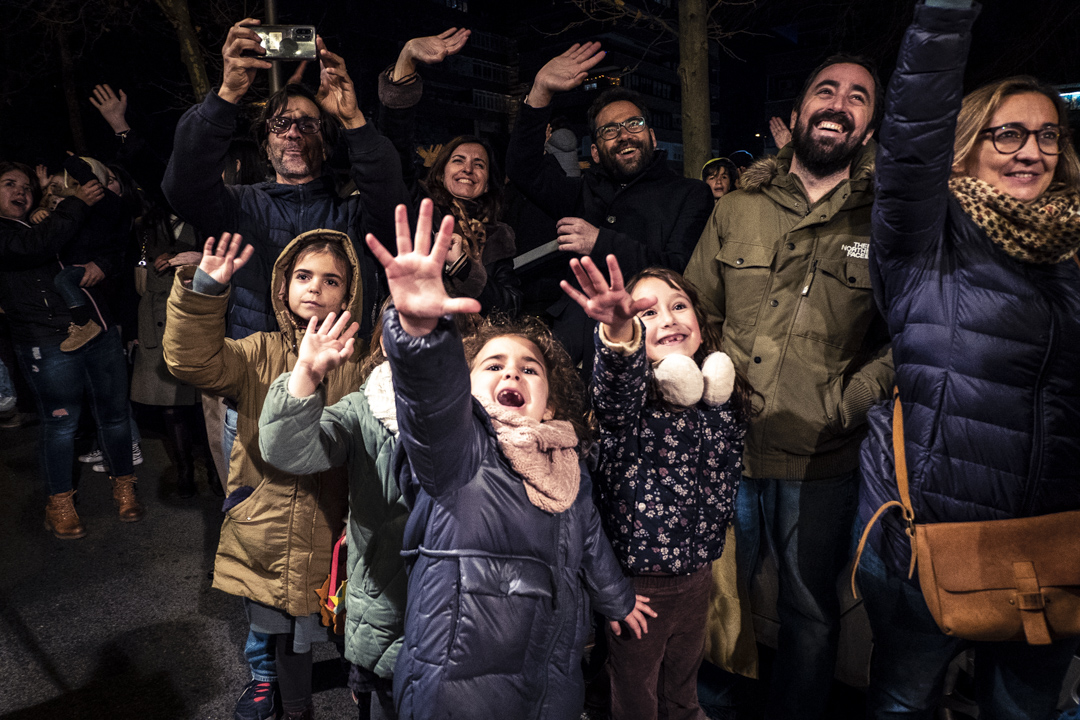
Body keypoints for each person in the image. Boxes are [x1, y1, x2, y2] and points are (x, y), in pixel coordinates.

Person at [854, 1, 1080, 717]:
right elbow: (911, 143)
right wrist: (946, 16)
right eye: (1007, 134)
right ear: (962, 148)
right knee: (904, 704)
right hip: (933, 543)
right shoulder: (924, 244)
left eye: (1048, 134)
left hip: (1054, 540)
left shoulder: (1074, 252)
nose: (1031, 151)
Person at [365, 200, 654, 720]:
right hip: (457, 687)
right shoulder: (462, 451)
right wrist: (421, 335)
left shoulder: (567, 461)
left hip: (549, 674)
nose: (512, 374)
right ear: (467, 389)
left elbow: (589, 540)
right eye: (493, 365)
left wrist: (616, 599)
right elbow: (431, 405)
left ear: (551, 402)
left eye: (530, 369)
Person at [683, 53, 894, 720]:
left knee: (809, 610)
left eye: (858, 96)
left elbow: (906, 335)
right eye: (826, 90)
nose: (839, 103)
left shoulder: (885, 222)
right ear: (799, 113)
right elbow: (696, 310)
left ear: (870, 125)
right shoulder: (738, 208)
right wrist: (706, 398)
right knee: (715, 597)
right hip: (728, 448)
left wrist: (845, 403)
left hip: (820, 456)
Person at [164, 228, 364, 720]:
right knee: (281, 628)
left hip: (332, 521)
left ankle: (361, 686)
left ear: (349, 295)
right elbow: (193, 361)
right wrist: (204, 293)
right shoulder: (259, 351)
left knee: (343, 619)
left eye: (331, 280)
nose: (315, 287)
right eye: (303, 276)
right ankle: (289, 702)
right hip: (268, 522)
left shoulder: (359, 362)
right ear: (282, 288)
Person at [562, 255, 751, 720]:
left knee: (681, 681)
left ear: (701, 326)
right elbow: (615, 387)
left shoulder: (718, 398)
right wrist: (619, 335)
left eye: (679, 305)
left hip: (698, 573)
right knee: (635, 691)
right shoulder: (630, 405)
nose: (668, 318)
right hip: (641, 582)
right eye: (648, 312)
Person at [162, 17, 408, 342]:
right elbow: (183, 185)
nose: (293, 133)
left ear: (325, 148)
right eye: (279, 125)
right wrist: (226, 94)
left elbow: (391, 201)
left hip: (339, 367)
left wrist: (353, 119)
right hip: (255, 367)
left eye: (308, 125)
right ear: (266, 147)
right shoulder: (237, 206)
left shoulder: (353, 215)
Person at [505, 42, 714, 369]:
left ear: (653, 137)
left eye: (634, 124)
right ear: (596, 152)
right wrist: (541, 91)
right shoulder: (581, 192)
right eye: (609, 130)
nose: (624, 135)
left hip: (651, 350)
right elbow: (523, 168)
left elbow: (678, 269)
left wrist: (599, 242)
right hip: (575, 352)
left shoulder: (690, 194)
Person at [258, 303, 406, 720]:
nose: (419, 342)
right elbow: (286, 449)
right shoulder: (364, 408)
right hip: (386, 608)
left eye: (435, 329)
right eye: (405, 328)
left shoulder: (482, 409)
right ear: (383, 343)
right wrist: (306, 373)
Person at [0, 161, 143, 538]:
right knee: (61, 423)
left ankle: (125, 487)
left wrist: (103, 264)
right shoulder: (22, 231)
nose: (20, 191)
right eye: (9, 184)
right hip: (45, 340)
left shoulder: (51, 218)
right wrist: (75, 202)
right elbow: (34, 247)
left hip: (98, 329)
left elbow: (109, 243)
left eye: (25, 186)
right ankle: (59, 503)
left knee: (115, 415)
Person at [378, 28, 521, 317]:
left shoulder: (499, 235)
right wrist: (406, 61)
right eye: (458, 160)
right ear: (441, 173)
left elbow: (511, 305)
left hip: (474, 340)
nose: (468, 168)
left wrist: (464, 268)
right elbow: (395, 148)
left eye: (479, 164)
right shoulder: (423, 208)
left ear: (487, 183)